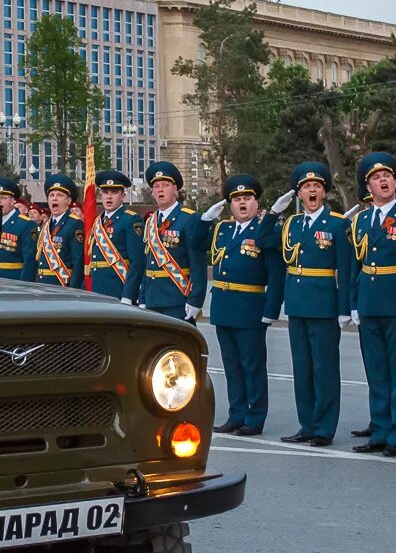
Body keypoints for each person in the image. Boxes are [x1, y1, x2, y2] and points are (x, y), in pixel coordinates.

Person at [350, 152, 396, 457]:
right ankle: (379, 429)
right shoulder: (361, 220)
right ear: (369, 186)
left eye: (388, 176)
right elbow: (356, 266)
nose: (384, 181)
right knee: (376, 372)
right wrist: (354, 303)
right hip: (369, 301)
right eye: (377, 178)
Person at [277, 162, 352, 445]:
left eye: (316, 187)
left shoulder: (337, 223)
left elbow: (345, 269)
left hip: (323, 304)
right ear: (299, 194)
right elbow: (266, 243)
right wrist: (273, 213)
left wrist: (344, 308)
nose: (312, 191)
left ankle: (324, 428)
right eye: (306, 187)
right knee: (302, 368)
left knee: (325, 369)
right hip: (297, 305)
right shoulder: (292, 224)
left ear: (324, 194)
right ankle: (306, 423)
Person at [208, 174, 284, 436]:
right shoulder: (223, 229)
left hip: (250, 307)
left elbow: (275, 274)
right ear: (231, 204)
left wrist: (270, 310)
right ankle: (236, 414)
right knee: (232, 366)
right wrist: (204, 220)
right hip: (223, 306)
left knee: (252, 366)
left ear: (256, 202)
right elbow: (195, 244)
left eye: (247, 198)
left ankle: (255, 417)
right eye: (237, 199)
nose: (242, 203)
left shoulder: (264, 231)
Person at [128, 161, 210, 321]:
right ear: (152, 192)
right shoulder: (150, 221)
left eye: (165, 185)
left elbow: (198, 263)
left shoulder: (189, 218)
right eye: (156, 186)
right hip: (152, 298)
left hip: (178, 299)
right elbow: (148, 263)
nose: (160, 190)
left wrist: (196, 299)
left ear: (175, 190)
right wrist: (143, 297)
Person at [86, 170, 141, 300]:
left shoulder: (130, 220)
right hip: (96, 289)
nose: (109, 197)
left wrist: (128, 295)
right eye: (105, 192)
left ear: (123, 195)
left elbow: (137, 262)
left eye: (114, 192)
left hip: (118, 289)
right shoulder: (98, 222)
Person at [24, 175, 85, 287]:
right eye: (51, 195)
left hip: (61, 285)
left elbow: (78, 263)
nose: (54, 198)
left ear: (68, 201)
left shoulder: (74, 223)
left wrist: (74, 291)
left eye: (59, 195)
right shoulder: (46, 225)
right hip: (41, 284)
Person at [0, 178, 35, 277]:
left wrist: (24, 285)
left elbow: (30, 260)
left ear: (13, 201)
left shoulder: (25, 224)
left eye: (3, 198)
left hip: (13, 280)